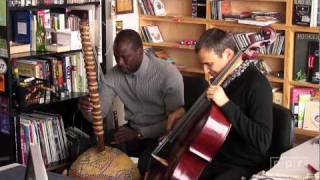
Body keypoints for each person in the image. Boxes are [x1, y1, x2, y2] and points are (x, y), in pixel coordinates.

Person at [78, 29, 185, 175]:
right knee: (83, 148)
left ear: (140, 51)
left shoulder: (168, 74)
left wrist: (138, 133)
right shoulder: (113, 75)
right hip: (131, 131)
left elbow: (175, 124)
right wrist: (87, 108)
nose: (120, 62)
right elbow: (99, 114)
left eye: (125, 57)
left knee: (147, 163)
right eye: (116, 57)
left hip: (162, 136)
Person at [195, 28, 273, 180]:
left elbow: (262, 141)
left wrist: (225, 103)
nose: (205, 70)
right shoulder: (221, 78)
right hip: (213, 155)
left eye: (209, 64)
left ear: (228, 54)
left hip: (241, 163)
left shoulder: (257, 84)